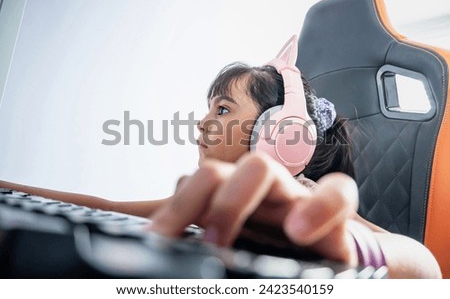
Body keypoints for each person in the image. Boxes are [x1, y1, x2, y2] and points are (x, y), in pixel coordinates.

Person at [0, 36, 441, 279]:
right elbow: (107, 207)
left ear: (281, 136)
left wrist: (351, 247)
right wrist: (11, 189)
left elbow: (424, 267)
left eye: (223, 109)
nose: (201, 124)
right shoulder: (209, 199)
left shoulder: (304, 200)